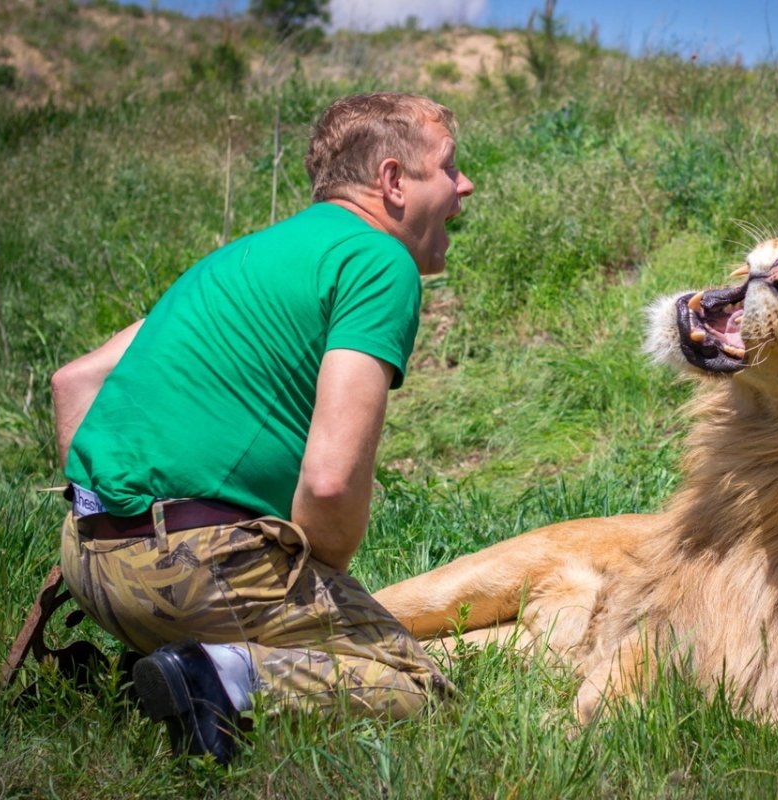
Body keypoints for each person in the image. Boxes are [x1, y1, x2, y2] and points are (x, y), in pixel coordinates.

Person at [50, 92, 475, 764]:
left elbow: (72, 383)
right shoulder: (377, 261)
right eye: (450, 168)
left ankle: (152, 663)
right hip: (195, 567)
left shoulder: (243, 256)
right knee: (420, 689)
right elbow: (331, 482)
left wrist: (114, 540)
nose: (464, 185)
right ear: (394, 181)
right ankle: (221, 677)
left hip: (85, 561)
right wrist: (316, 584)